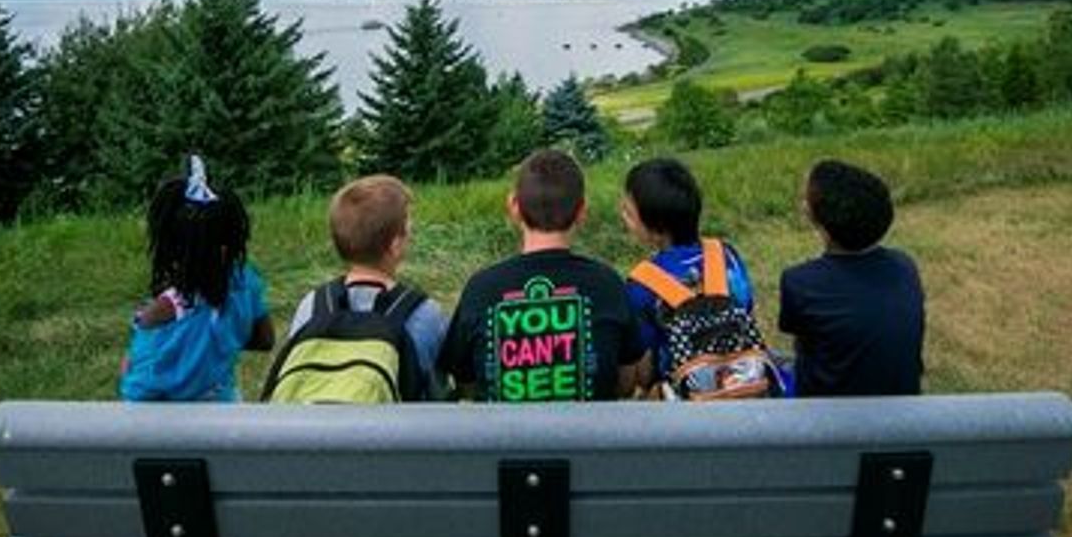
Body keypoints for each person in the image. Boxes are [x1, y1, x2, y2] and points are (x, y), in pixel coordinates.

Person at [439, 149, 646, 402]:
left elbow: (466, 383)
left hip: (504, 440)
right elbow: (625, 381)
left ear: (514, 206)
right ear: (582, 211)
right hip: (590, 439)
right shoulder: (607, 283)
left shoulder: (481, 288)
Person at [266, 174, 450, 402]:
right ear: (395, 245)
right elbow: (437, 394)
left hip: (310, 435)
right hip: (395, 436)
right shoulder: (424, 314)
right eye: (408, 229)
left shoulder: (312, 305)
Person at [118, 156, 275, 402]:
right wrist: (222, 338)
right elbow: (265, 340)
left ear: (169, 244)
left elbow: (138, 377)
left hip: (162, 425)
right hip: (223, 407)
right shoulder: (245, 282)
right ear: (232, 237)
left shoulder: (165, 308)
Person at [619, 157, 779, 398]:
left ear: (654, 228)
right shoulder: (726, 254)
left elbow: (643, 373)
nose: (624, 217)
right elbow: (745, 310)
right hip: (748, 388)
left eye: (629, 213)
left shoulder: (641, 283)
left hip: (687, 407)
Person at [778, 159, 925, 396]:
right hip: (902, 404)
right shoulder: (904, 266)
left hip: (829, 416)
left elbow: (799, 338)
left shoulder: (800, 282)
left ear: (817, 218)